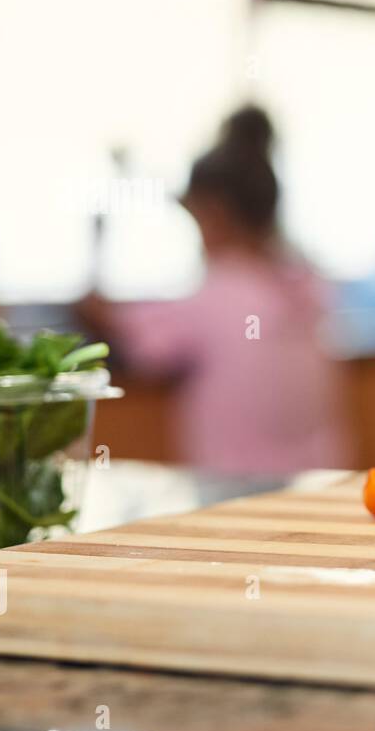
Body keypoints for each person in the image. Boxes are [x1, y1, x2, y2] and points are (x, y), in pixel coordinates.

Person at [83, 105, 348, 475]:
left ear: (215, 215)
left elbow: (114, 325)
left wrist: (96, 243)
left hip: (233, 495)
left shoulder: (216, 297)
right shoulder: (307, 284)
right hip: (319, 483)